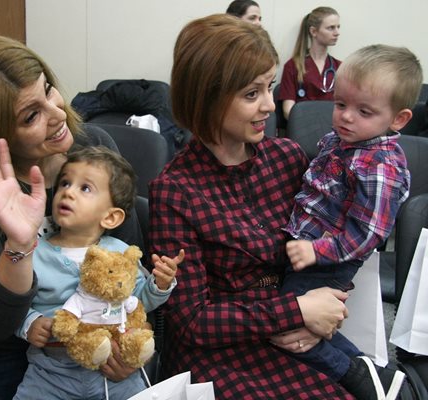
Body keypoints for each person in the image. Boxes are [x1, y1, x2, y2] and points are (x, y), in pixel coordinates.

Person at [0, 34, 144, 399]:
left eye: (49, 89)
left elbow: (128, 264)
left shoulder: (94, 148)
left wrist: (127, 342)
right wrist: (20, 245)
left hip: (87, 331)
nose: (58, 113)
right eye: (31, 115)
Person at [149, 14, 353, 399]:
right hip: (219, 354)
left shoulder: (287, 158)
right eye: (251, 94)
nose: (269, 106)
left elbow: (333, 243)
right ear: (205, 97)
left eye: (270, 87)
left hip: (293, 333)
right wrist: (298, 311)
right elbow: (190, 322)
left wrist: (321, 308)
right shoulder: (176, 191)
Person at [282, 44, 423, 400]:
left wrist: (316, 251)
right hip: (306, 247)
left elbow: (367, 234)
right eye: (341, 104)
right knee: (301, 324)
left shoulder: (380, 166)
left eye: (364, 111)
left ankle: (358, 374)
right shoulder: (343, 140)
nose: (346, 117)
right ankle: (373, 374)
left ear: (398, 119)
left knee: (291, 328)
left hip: (329, 261)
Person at [12, 146, 183, 399]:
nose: (68, 192)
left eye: (85, 188)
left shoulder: (121, 253)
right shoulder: (35, 253)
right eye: (65, 183)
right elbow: (13, 303)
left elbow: (138, 303)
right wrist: (29, 323)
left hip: (113, 368)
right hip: (53, 371)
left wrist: (159, 283)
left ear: (111, 218)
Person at [278, 6, 341, 120]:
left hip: (331, 128)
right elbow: (288, 111)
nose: (337, 32)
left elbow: (344, 107)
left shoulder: (340, 67)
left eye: (338, 27)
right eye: (331, 28)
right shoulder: (293, 66)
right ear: (313, 31)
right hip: (304, 128)